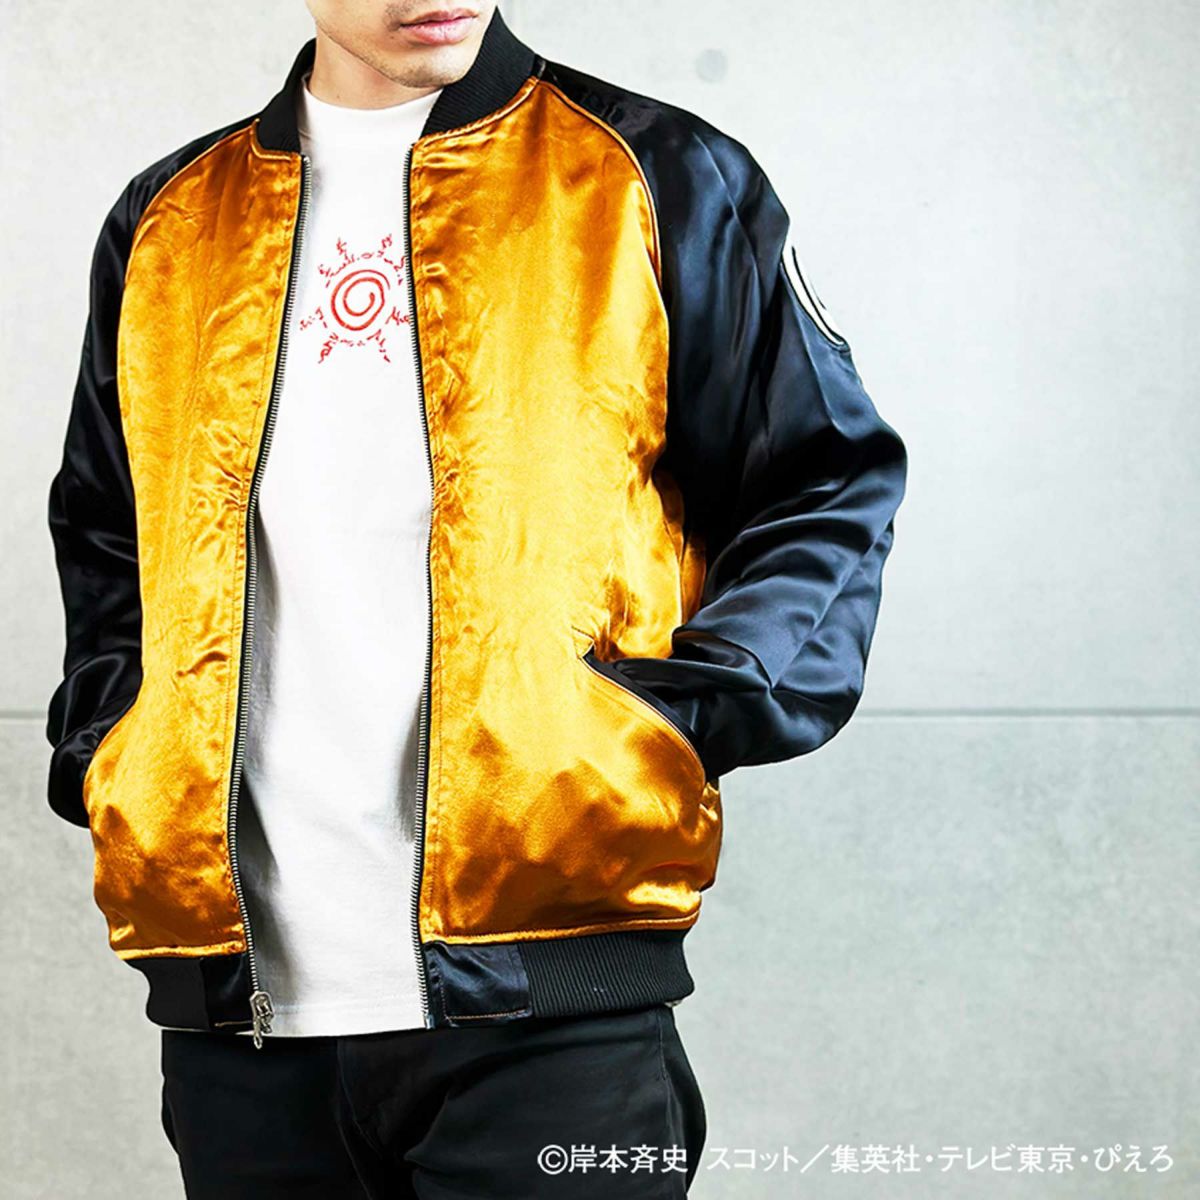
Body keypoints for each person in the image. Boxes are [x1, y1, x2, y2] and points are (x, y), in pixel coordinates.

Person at [44, 3, 908, 1196]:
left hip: (550, 1017)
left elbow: (823, 479)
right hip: (238, 1030)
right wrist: (112, 746)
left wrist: (678, 716)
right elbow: (105, 527)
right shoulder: (171, 218)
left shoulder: (651, 173)